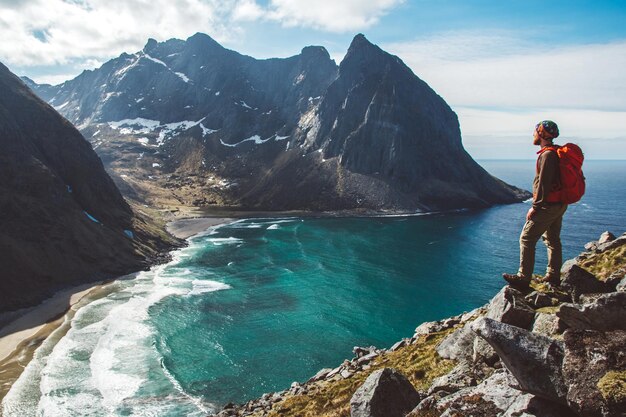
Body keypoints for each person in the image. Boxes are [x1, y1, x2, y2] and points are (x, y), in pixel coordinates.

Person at [503, 120, 567, 289]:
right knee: (553, 239)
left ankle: (523, 278)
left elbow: (544, 184)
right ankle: (553, 276)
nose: (533, 134)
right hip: (558, 203)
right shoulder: (553, 152)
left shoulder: (547, 155)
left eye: (535, 132)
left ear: (542, 134)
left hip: (548, 206)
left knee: (526, 238)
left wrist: (535, 207)